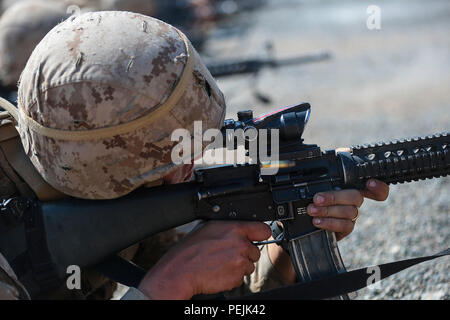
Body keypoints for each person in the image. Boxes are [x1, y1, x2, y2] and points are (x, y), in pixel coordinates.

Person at [0, 11, 389, 300]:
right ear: (112, 170)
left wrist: (292, 236)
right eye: (177, 158)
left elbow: (222, 297)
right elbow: (180, 280)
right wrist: (166, 285)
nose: (193, 164)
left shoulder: (130, 197)